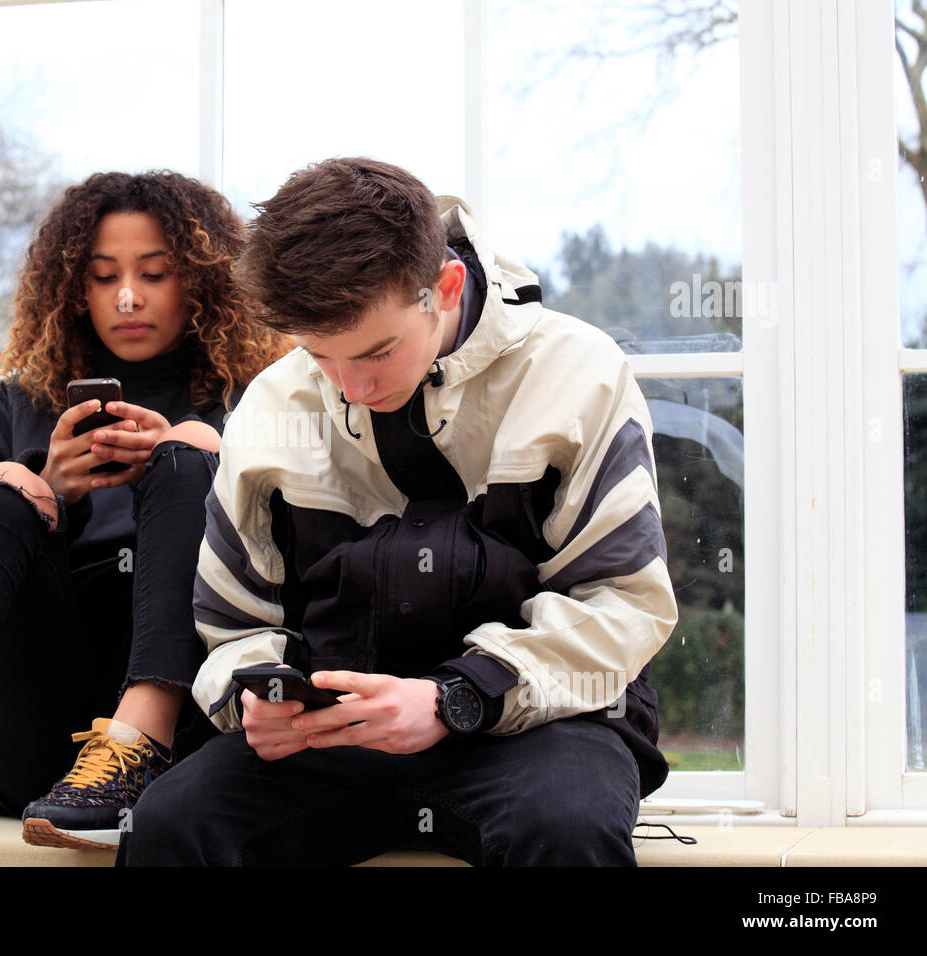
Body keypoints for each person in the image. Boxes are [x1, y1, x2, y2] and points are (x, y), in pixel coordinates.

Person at [116, 157, 679, 867]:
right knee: (169, 827)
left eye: (376, 352)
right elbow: (232, 626)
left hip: (539, 724)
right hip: (332, 734)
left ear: (442, 289)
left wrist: (454, 699)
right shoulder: (273, 403)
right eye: (322, 356)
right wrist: (254, 695)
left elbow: (624, 607)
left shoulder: (579, 373)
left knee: (564, 833)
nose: (350, 387)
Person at [0, 170, 291, 866]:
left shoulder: (256, 400)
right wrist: (54, 490)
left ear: (199, 279)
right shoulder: (13, 404)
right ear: (75, 285)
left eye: (155, 273)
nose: (127, 296)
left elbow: (298, 572)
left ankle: (135, 742)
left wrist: (198, 463)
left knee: (193, 446)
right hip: (23, 721)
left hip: (187, 726)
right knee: (10, 480)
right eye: (104, 277)